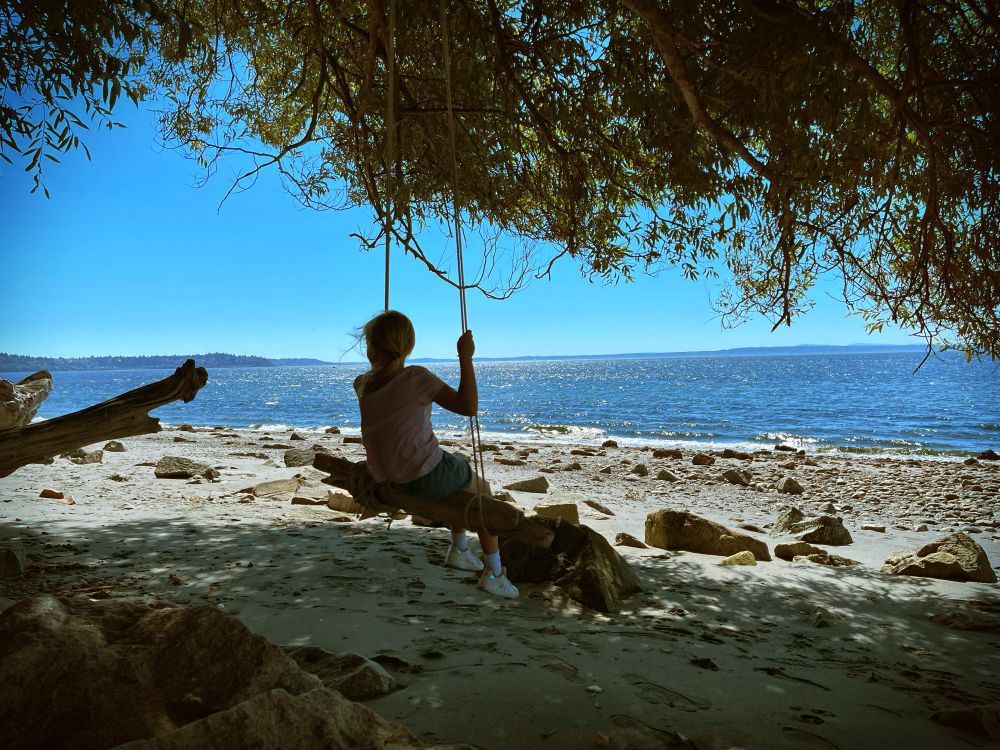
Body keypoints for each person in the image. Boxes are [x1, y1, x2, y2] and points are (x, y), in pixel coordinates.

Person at [353, 310, 518, 598]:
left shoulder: (363, 385)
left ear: (370, 349)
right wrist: (465, 357)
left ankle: (460, 550)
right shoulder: (417, 377)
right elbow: (468, 407)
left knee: (456, 467)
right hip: (421, 476)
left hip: (390, 477)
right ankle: (494, 572)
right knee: (481, 491)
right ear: (408, 347)